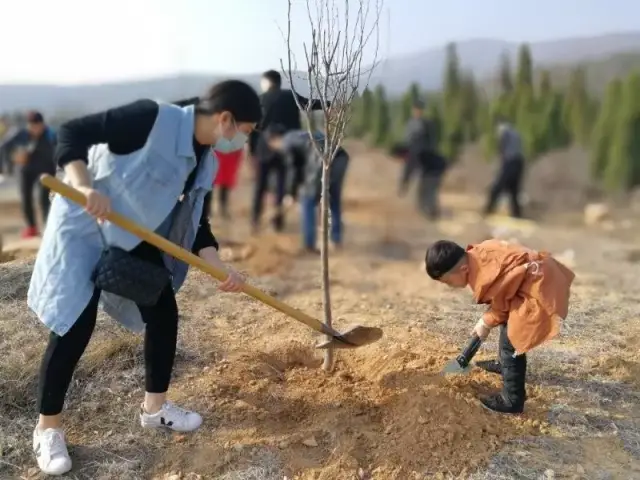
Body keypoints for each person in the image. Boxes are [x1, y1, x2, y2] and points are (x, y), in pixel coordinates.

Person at [27, 80, 261, 476]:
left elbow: (197, 224)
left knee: (163, 309)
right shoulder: (151, 118)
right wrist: (84, 187)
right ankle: (47, 429)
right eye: (245, 133)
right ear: (225, 120)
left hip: (131, 232)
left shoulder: (206, 160)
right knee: (75, 325)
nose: (242, 142)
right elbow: (73, 133)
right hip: (84, 223)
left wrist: (220, 268)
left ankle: (155, 409)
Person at [424, 238, 574, 414]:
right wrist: (487, 320)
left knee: (512, 341)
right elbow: (503, 295)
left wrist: (486, 322)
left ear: (463, 269)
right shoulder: (478, 253)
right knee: (506, 326)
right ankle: (503, 365)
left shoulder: (485, 276)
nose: (450, 287)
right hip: (531, 280)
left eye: (448, 282)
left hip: (538, 290)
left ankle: (512, 400)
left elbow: (501, 306)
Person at [248, 69, 325, 233]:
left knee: (260, 187)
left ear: (266, 82)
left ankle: (255, 221)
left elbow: (253, 129)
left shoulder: (260, 100)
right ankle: (278, 223)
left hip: (264, 150)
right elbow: (310, 104)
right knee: (282, 187)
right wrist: (329, 103)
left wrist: (252, 152)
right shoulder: (290, 96)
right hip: (288, 150)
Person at [265, 124, 349, 253]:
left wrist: (290, 194)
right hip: (340, 157)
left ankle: (309, 245)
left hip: (321, 158)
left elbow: (293, 169)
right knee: (333, 197)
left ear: (274, 139)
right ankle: (336, 239)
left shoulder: (286, 142)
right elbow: (300, 167)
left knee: (307, 199)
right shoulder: (299, 135)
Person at [2, 111, 57, 237]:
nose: (34, 129)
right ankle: (31, 227)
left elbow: (61, 151)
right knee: (26, 198)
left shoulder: (51, 135)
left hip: (46, 170)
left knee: (44, 199)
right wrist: (9, 163)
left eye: (37, 126)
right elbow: (4, 147)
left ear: (43, 124)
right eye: (31, 126)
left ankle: (48, 227)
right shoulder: (20, 134)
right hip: (25, 170)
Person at [398, 100, 446, 220]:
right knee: (408, 175)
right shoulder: (410, 124)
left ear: (422, 110)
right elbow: (407, 140)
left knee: (427, 185)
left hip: (426, 156)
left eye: (419, 110)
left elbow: (432, 141)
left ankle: (429, 209)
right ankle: (406, 189)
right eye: (415, 109)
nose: (417, 112)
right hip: (414, 154)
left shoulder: (427, 124)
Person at [484, 120, 525, 218]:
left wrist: (500, 160)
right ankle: (517, 214)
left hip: (510, 162)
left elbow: (501, 148)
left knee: (496, 188)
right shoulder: (516, 133)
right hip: (519, 162)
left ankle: (488, 210)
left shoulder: (505, 132)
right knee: (513, 190)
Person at [212, 147, 244, 219]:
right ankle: (216, 207)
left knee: (226, 183)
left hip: (231, 155)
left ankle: (223, 207)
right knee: (217, 180)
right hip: (221, 153)